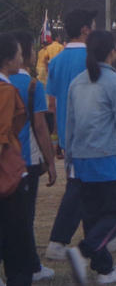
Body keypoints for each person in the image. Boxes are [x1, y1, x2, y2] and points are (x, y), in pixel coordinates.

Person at [64, 30, 116, 285]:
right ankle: (83, 252)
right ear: (113, 52)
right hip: (109, 159)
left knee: (93, 216)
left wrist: (69, 162)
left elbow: (69, 125)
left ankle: (104, 269)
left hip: (82, 159)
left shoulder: (77, 82)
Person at [45, 9, 95, 262]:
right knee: (81, 189)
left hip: (67, 134)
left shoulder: (56, 61)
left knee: (82, 187)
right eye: (93, 25)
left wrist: (56, 139)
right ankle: (60, 239)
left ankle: (91, 238)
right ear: (85, 29)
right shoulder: (92, 58)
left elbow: (51, 104)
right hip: (91, 134)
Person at [10, 31, 57, 282]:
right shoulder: (31, 86)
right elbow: (40, 127)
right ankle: (29, 266)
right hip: (24, 161)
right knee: (24, 218)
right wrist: (51, 162)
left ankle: (32, 264)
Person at [0, 32, 34, 286]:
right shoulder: (6, 91)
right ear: (9, 59)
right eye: (20, 54)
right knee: (17, 237)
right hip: (7, 174)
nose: (22, 59)